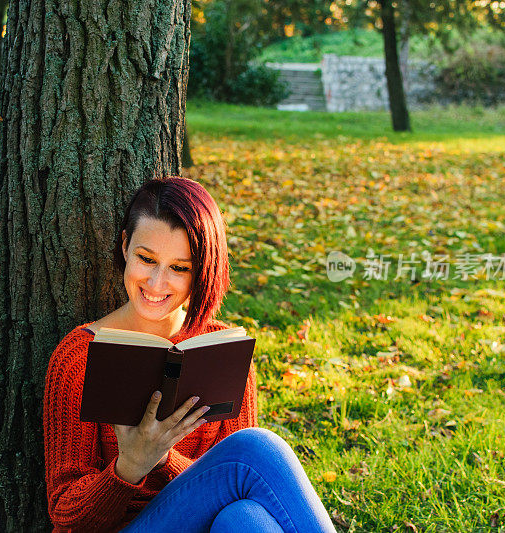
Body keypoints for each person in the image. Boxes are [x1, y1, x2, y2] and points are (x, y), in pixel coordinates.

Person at [43, 177, 336, 532]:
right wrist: (130, 466)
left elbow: (240, 493)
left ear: (201, 270)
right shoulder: (79, 357)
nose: (156, 283)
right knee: (254, 450)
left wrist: (163, 458)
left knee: (245, 518)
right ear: (125, 246)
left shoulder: (222, 353)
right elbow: (65, 519)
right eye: (146, 258)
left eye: (179, 267)